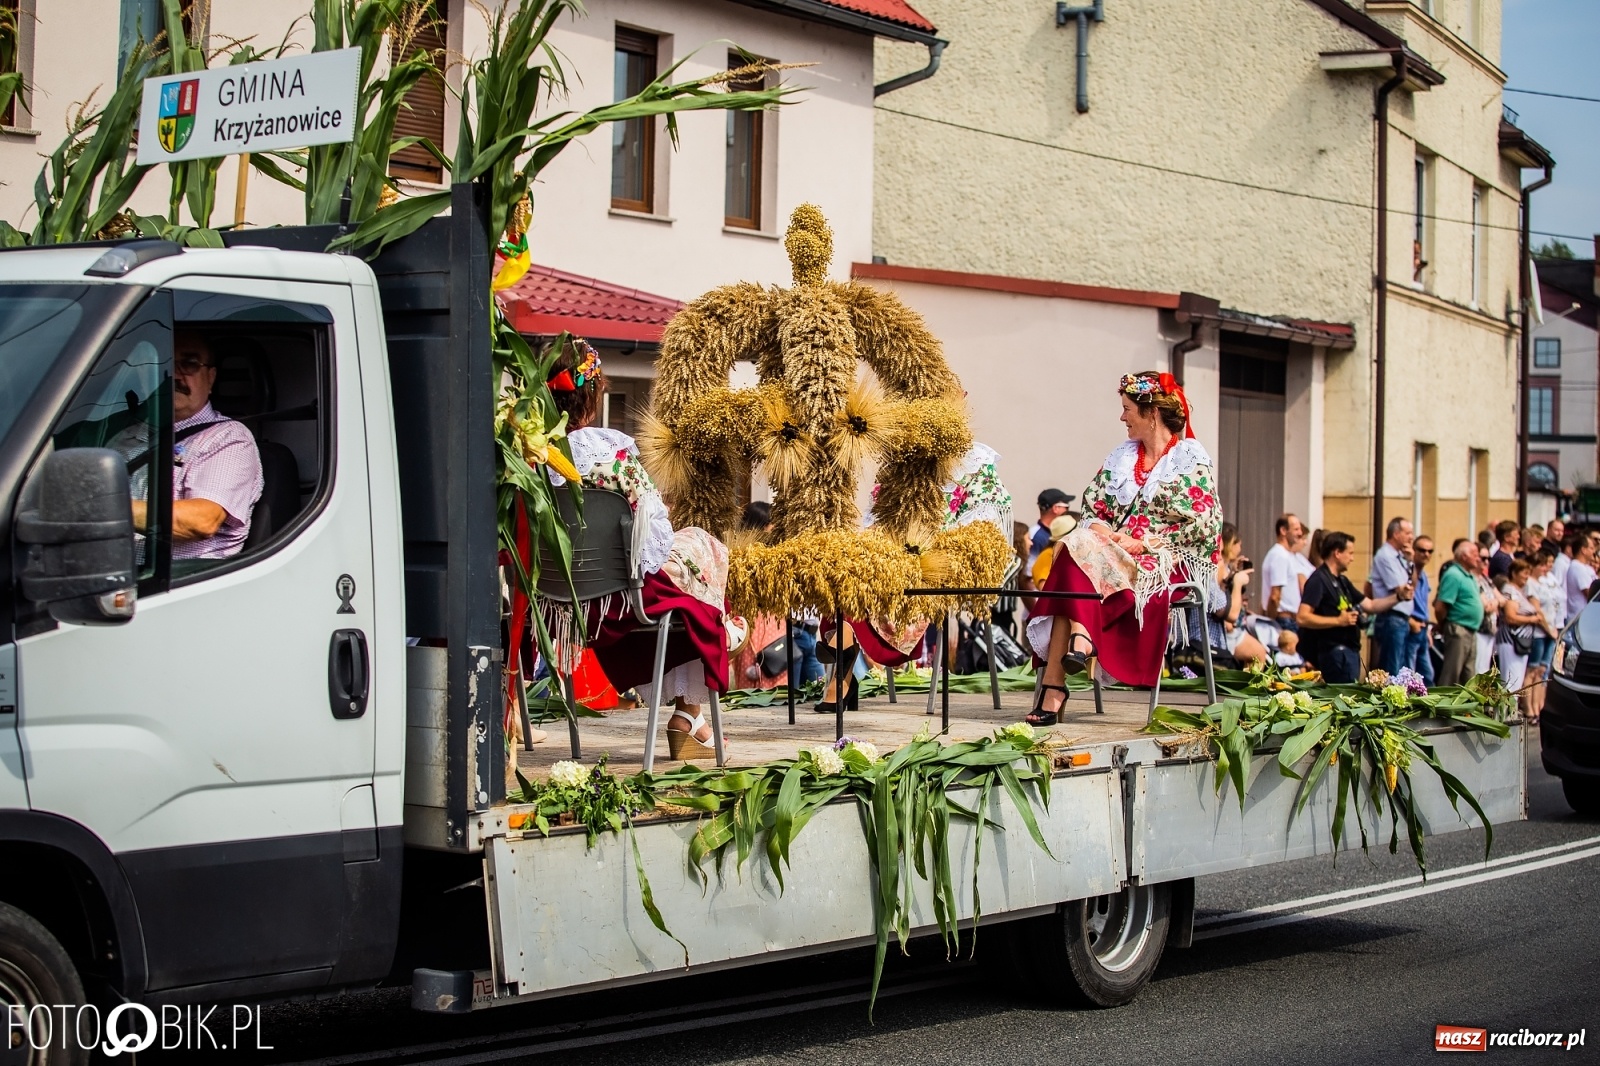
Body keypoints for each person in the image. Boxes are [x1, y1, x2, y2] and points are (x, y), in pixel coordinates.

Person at [545, 338, 730, 760]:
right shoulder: (614, 456)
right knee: (702, 547)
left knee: (687, 569)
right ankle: (690, 710)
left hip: (559, 605)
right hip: (618, 601)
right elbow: (652, 541)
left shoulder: (529, 457)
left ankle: (690, 716)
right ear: (592, 397)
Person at [1025, 371, 1222, 725]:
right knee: (1077, 543)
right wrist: (1106, 535)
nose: (1122, 417)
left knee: (1074, 559)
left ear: (1152, 413)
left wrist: (1142, 542)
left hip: (1162, 560)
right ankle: (1080, 641)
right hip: (1109, 553)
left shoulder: (1191, 460)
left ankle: (1056, 685)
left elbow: (1205, 526)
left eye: (1127, 409)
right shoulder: (1121, 457)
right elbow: (1092, 510)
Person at [119, 329, 264, 560]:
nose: (174, 375)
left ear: (211, 378)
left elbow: (202, 521)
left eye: (189, 364)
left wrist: (105, 509)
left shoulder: (228, 438)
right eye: (163, 363)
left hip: (182, 585)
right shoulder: (124, 436)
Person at [1296, 531, 1400, 683]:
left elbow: (1370, 605)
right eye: (1350, 553)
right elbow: (1302, 617)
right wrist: (1338, 621)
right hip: (1334, 653)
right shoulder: (1318, 580)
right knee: (1342, 701)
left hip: (1349, 652)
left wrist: (1398, 597)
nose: (1352, 558)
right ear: (1337, 553)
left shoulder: (1342, 581)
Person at [1208, 523, 1269, 667]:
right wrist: (1237, 583)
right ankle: (1252, 687)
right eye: (1238, 544)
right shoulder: (1218, 567)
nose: (1240, 548)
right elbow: (1220, 598)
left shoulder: (1225, 566)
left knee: (1258, 654)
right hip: (1226, 627)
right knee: (1259, 654)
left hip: (1230, 625)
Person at [1368, 517, 1417, 674]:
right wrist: (1406, 589)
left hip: (1400, 619)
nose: (1411, 537)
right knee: (1392, 670)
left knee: (1401, 669)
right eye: (1408, 533)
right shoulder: (1385, 556)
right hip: (1391, 617)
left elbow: (1412, 585)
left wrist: (1411, 562)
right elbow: (1401, 589)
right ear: (1396, 534)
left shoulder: (1400, 557)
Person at [1433, 539, 1485, 686]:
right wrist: (1443, 624)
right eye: (1474, 554)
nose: (1478, 557)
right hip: (1458, 630)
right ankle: (1444, 706)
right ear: (1463, 556)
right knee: (1452, 673)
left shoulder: (1468, 576)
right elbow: (1440, 607)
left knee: (1469, 675)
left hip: (1470, 630)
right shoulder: (1453, 575)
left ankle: (1466, 708)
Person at [1495, 559, 1543, 709]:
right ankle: (1507, 714)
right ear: (1514, 573)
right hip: (1511, 641)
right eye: (1524, 573)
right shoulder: (1509, 590)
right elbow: (1510, 617)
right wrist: (1533, 619)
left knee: (1517, 680)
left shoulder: (1520, 592)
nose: (1526, 576)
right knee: (1511, 681)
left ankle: (1511, 712)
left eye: (1529, 573)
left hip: (1521, 643)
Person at [1261, 513, 1311, 632]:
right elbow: (1275, 595)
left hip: (1289, 620)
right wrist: (1272, 622)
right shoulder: (1280, 556)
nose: (1300, 533)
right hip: (1284, 621)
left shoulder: (1286, 555)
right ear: (1283, 530)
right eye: (1296, 529)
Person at [1403, 535, 1436, 685]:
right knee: (1408, 673)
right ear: (1414, 551)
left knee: (1427, 674)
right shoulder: (1407, 571)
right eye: (1422, 550)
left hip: (1422, 628)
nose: (1426, 554)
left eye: (1430, 551)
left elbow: (1423, 603)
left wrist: (1428, 628)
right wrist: (1410, 621)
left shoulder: (1424, 575)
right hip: (1411, 627)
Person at [1027, 488, 1075, 587]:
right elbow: (1028, 577)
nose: (1067, 511)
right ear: (1055, 508)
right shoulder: (1036, 536)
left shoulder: (1041, 533)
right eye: (1066, 507)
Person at [1472, 544, 1503, 674]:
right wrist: (1495, 603)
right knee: (1477, 669)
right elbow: (1486, 606)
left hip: (1490, 629)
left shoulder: (1486, 579)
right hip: (1480, 629)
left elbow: (1503, 600)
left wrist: (1494, 603)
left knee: (1485, 668)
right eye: (1483, 558)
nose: (1486, 562)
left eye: (1488, 558)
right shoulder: (1473, 579)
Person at [1565, 529, 1599, 621]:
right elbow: (1590, 593)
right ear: (1583, 550)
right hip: (1578, 619)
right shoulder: (1576, 567)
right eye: (1591, 548)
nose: (1594, 552)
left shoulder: (1587, 568)